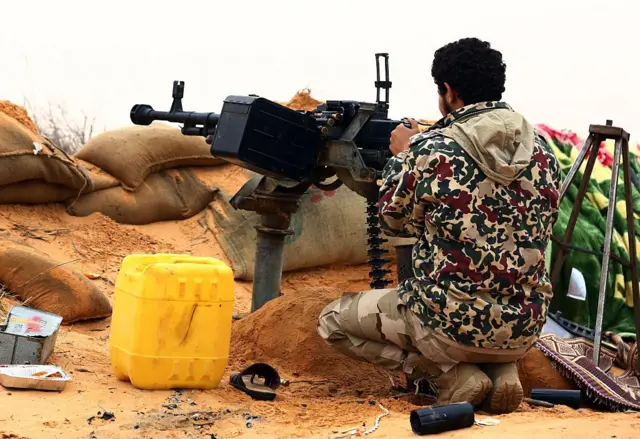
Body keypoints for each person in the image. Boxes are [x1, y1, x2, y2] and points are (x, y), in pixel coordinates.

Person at [317, 37, 562, 413]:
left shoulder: (430, 150)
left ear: (447, 91)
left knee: (332, 320)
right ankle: (502, 373)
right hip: (523, 327)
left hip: (446, 326)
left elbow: (392, 219)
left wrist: (403, 156)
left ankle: (446, 375)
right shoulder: (545, 152)